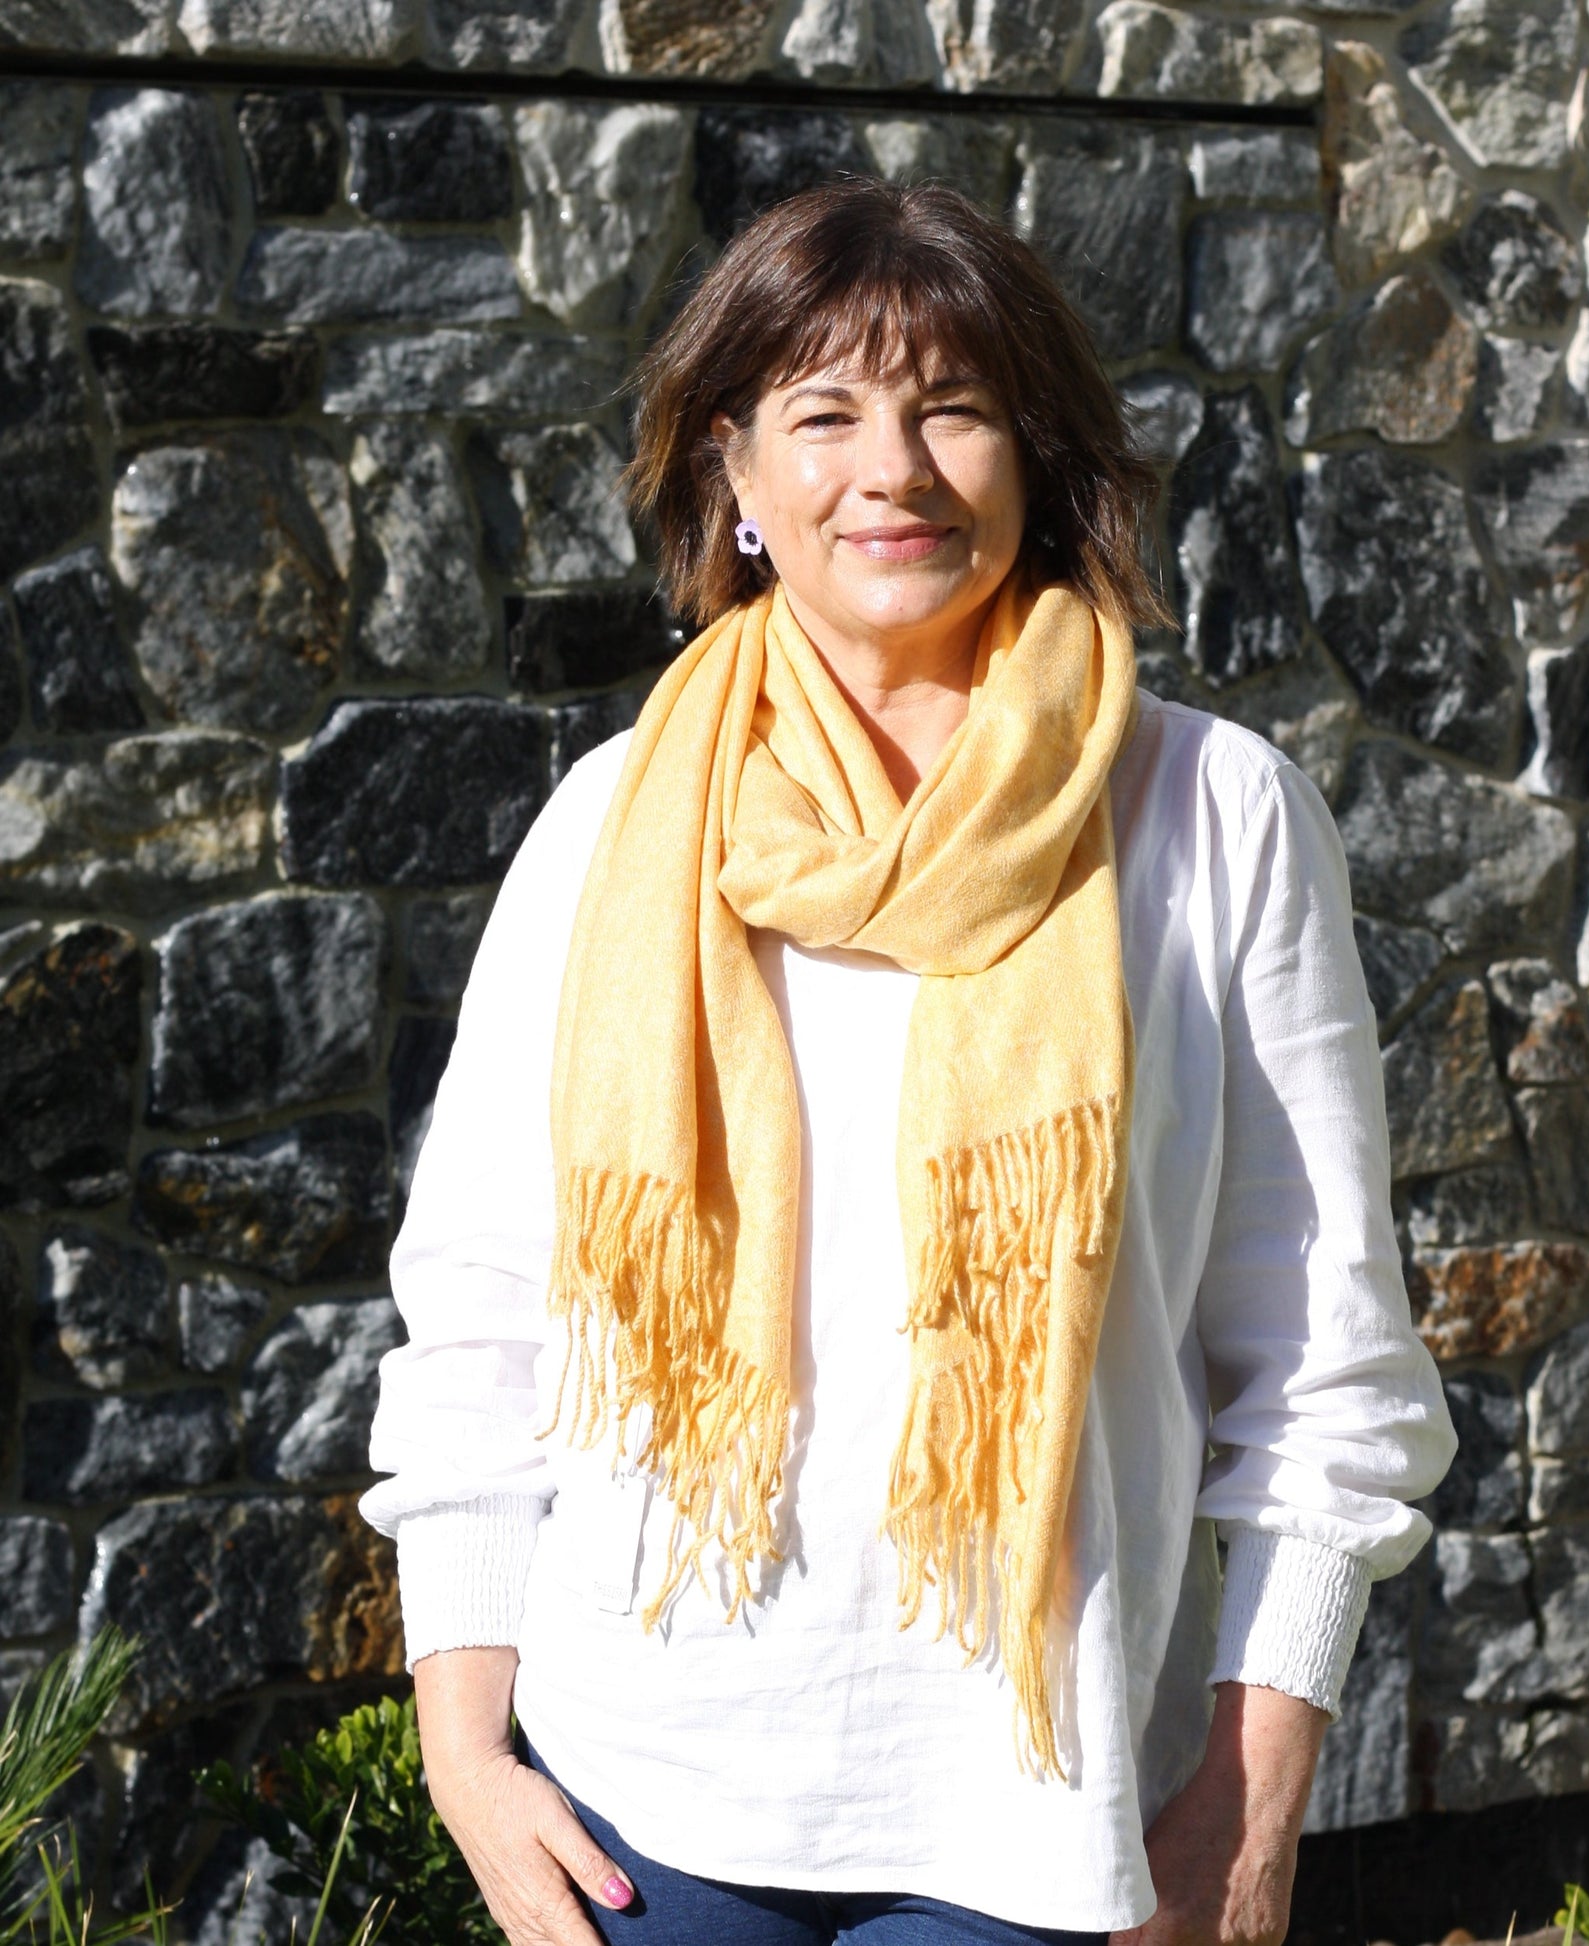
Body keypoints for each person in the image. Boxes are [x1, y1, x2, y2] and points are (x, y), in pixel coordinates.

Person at [361, 177, 1455, 1946]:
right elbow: (483, 1314)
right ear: (733, 472)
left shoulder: (1212, 814)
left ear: (1032, 456)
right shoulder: (611, 825)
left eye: (950, 406)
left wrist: (1252, 1802)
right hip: (643, 1801)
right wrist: (464, 1755)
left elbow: (1328, 1369)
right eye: (824, 413)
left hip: (1045, 1810)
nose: (893, 468)